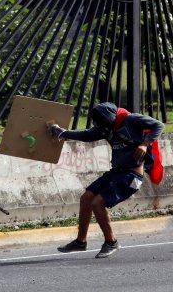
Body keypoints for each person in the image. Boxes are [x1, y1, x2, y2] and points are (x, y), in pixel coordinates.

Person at [49, 102, 164, 258]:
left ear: (111, 118)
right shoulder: (106, 129)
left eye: (104, 124)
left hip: (131, 176)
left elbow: (158, 125)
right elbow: (86, 135)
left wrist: (145, 144)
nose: (103, 128)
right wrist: (63, 133)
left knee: (98, 203)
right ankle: (80, 242)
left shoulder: (132, 120)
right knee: (86, 198)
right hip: (116, 173)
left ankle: (111, 242)